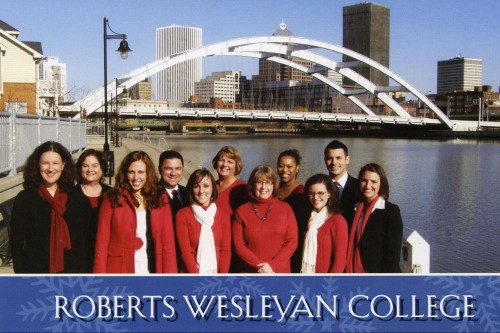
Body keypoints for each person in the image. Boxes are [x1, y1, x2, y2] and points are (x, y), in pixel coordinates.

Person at [11, 141, 90, 273]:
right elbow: (17, 243)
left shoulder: (76, 198)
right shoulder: (25, 199)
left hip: (71, 273)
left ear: (63, 165)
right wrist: (22, 277)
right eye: (45, 163)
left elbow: (83, 242)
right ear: (37, 165)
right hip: (35, 273)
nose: (50, 168)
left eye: (55, 163)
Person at [94, 151, 177, 274]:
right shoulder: (111, 198)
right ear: (124, 173)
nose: (136, 177)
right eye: (131, 172)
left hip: (151, 267)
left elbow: (168, 244)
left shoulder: (160, 198)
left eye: (141, 172)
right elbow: (101, 243)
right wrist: (99, 279)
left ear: (148, 173)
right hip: (120, 269)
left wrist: (171, 278)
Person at [232, 165, 298, 273]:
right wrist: (259, 266)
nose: (263, 187)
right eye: (259, 182)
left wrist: (273, 265)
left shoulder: (285, 209)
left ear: (273, 185)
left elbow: (292, 241)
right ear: (252, 185)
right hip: (250, 272)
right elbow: (238, 245)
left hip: (279, 271)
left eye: (267, 182)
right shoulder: (241, 211)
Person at [346, 163, 403, 273]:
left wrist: (384, 280)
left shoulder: (391, 211)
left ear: (381, 184)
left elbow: (393, 253)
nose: (368, 185)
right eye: (364, 180)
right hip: (354, 271)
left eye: (373, 182)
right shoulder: (354, 209)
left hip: (380, 275)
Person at [175, 168, 231, 273]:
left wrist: (222, 278)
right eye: (196, 186)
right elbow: (185, 252)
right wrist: (199, 279)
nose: (201, 191)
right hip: (191, 275)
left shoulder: (224, 215)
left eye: (206, 186)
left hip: (217, 275)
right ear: (191, 189)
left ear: (213, 188)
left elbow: (226, 251)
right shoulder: (183, 215)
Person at [70, 149, 111, 271]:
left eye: (94, 165)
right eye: (85, 166)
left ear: (102, 168)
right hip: (77, 260)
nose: (90, 170)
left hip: (105, 258)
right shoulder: (70, 195)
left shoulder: (112, 195)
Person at [301, 174, 348, 273]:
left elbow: (340, 261)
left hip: (326, 281)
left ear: (329, 194)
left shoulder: (337, 221)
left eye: (320, 193)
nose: (315, 197)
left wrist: (329, 282)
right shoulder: (308, 219)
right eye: (311, 193)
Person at [276, 149, 310, 273]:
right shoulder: (272, 190)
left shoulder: (302, 193)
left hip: (294, 249)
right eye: (281, 166)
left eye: (289, 166)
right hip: (273, 245)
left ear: (297, 168)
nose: (285, 170)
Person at [323, 140, 361, 226]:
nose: (334, 162)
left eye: (338, 158)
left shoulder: (359, 187)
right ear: (325, 160)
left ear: (347, 159)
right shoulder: (318, 187)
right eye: (329, 158)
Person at [212, 146, 249, 214]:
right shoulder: (209, 186)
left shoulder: (243, 189)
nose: (225, 164)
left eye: (230, 162)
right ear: (216, 163)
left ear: (236, 165)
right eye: (221, 160)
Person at [158, 150, 187, 222]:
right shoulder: (151, 194)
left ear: (182, 169)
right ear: (159, 169)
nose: (173, 173)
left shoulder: (188, 192)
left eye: (177, 168)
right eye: (168, 168)